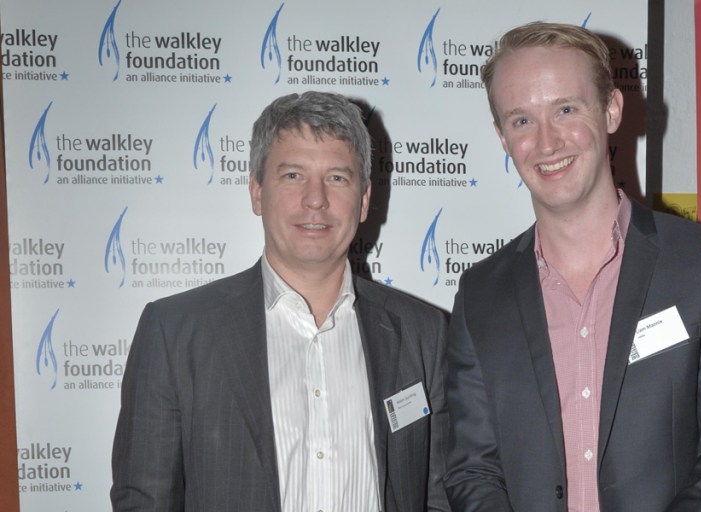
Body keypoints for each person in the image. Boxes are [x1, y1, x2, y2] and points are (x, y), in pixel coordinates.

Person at [443, 22, 701, 511]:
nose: (547, 142)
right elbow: (473, 468)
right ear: (502, 137)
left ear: (611, 110)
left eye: (566, 109)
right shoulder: (479, 295)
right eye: (522, 121)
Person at [111, 91, 450, 512]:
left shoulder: (422, 332)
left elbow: (441, 497)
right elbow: (145, 502)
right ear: (256, 191)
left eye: (337, 178)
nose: (315, 199)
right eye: (292, 175)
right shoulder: (175, 332)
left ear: (363, 201)